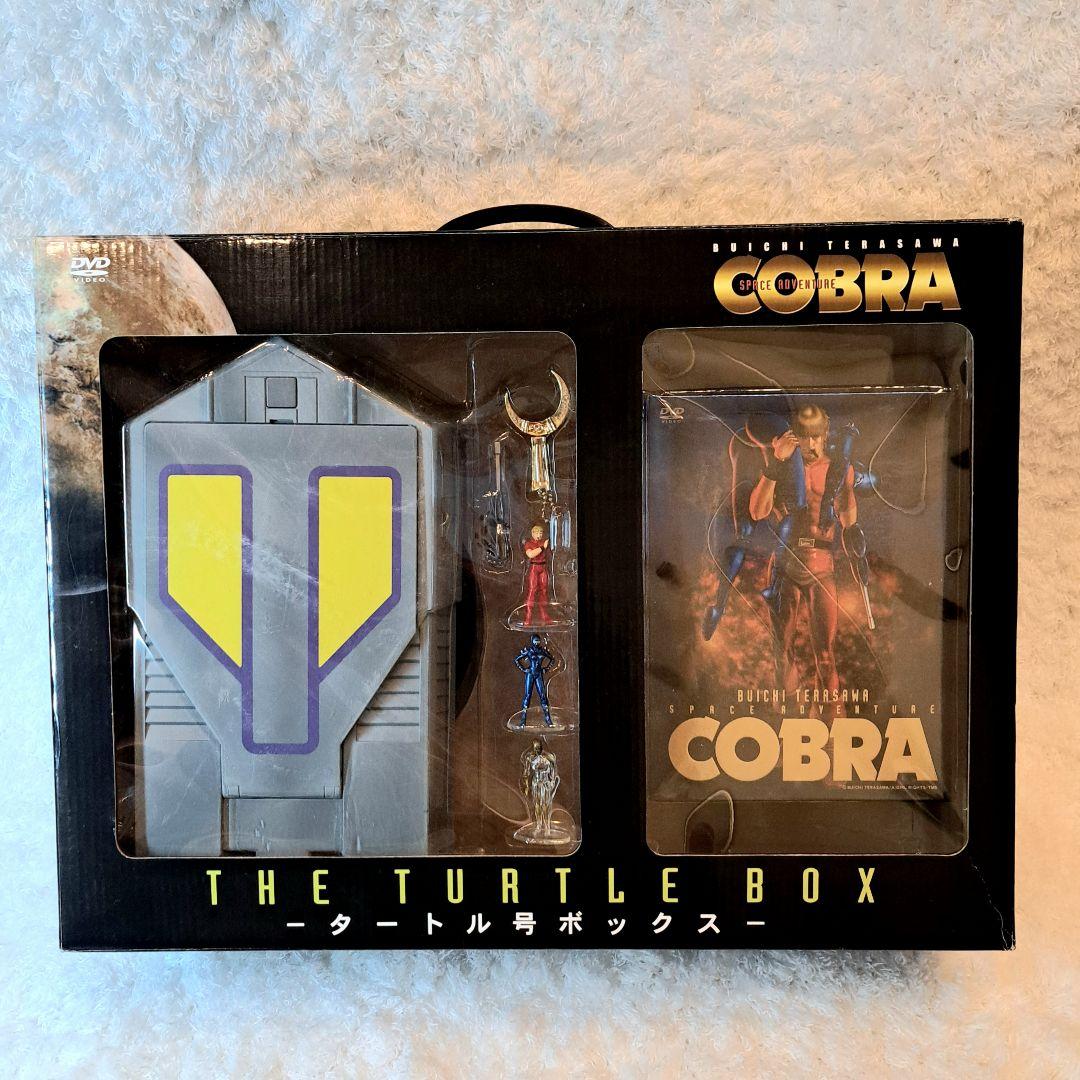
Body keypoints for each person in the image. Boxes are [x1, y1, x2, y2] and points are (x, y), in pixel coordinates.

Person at [749, 404, 858, 693]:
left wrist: (845, 484)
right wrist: (775, 462)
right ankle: (785, 712)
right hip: (785, 563)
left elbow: (848, 521)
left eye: (816, 436)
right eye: (804, 436)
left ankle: (832, 714)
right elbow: (758, 512)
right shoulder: (781, 467)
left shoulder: (838, 469)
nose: (811, 444)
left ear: (825, 434)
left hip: (821, 567)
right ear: (793, 435)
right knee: (781, 652)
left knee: (826, 656)